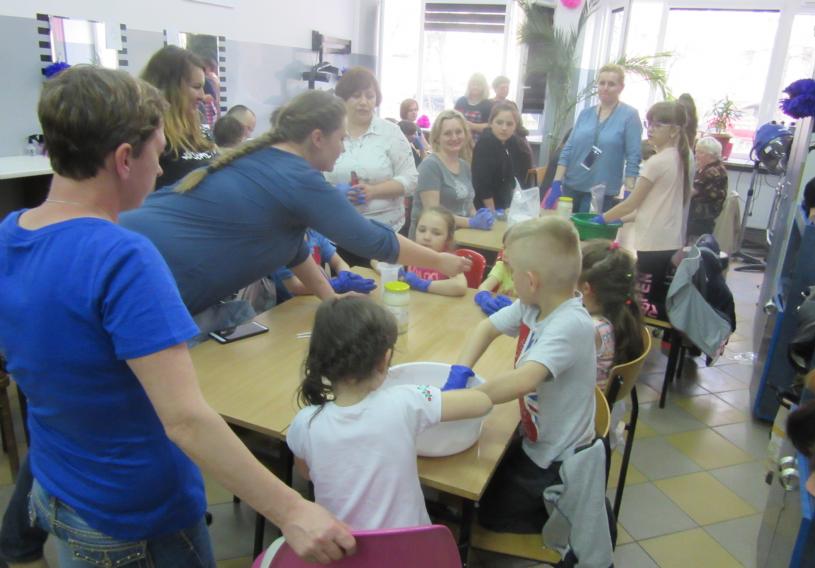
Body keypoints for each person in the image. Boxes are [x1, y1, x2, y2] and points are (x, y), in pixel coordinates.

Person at [0, 65, 353, 567]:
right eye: (159, 154)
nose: (159, 171)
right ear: (125, 159)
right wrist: (292, 509)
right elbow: (185, 419)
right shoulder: (122, 256)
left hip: (62, 492)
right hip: (135, 518)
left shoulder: (12, 232)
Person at [120, 90, 469, 335]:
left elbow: (294, 247)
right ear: (317, 137)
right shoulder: (296, 176)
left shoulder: (267, 159)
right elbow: (370, 239)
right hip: (141, 268)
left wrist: (330, 299)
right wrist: (440, 261)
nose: (343, 148)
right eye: (341, 138)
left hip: (139, 255)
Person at [287, 297, 492, 530]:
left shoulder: (304, 423)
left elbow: (306, 472)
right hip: (410, 544)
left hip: (343, 546)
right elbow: (482, 403)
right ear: (384, 361)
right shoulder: (405, 400)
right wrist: (454, 382)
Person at [453, 216, 597, 532]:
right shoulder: (533, 305)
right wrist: (460, 370)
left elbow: (525, 379)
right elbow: (486, 328)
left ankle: (565, 511)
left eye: (511, 270)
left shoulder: (570, 324)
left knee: (487, 513)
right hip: (537, 438)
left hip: (557, 458)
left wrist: (462, 399)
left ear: (530, 281)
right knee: (481, 482)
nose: (508, 277)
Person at [599, 101, 693, 321]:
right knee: (654, 297)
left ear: (674, 130)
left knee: (644, 304)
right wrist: (620, 220)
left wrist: (602, 218)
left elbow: (632, 203)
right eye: (648, 124)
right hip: (667, 241)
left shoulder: (657, 162)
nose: (650, 130)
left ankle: (646, 336)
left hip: (654, 244)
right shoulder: (681, 158)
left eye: (658, 125)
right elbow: (652, 206)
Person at [326, 67, 418, 242]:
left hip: (386, 232)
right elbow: (313, 178)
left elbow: (411, 179)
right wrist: (333, 192)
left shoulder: (391, 132)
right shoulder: (329, 131)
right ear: (343, 99)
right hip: (337, 232)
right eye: (356, 96)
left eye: (370, 96)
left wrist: (373, 191)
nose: (364, 102)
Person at [549, 64, 642, 213]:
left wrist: (629, 191)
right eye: (602, 83)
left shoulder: (629, 116)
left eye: (611, 84)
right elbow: (568, 148)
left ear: (621, 87)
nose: (605, 88)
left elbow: (633, 156)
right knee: (565, 227)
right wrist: (556, 181)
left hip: (600, 192)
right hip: (571, 186)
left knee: (587, 228)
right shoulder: (585, 114)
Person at [140, 46, 216, 189]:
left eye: (203, 87)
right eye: (196, 87)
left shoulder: (198, 121)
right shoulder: (149, 132)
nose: (202, 95)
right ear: (171, 88)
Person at [410, 110, 494, 236]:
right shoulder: (430, 166)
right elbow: (433, 213)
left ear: (465, 134)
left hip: (459, 235)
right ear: (437, 138)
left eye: (458, 132)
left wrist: (481, 216)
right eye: (447, 133)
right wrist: (471, 222)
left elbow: (468, 206)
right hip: (430, 239)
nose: (454, 138)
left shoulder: (464, 166)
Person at [578, 240, 644, 389]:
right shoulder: (620, 314)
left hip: (589, 400)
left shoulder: (591, 328)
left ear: (586, 288)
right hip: (606, 397)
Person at [271, 229, 375, 302]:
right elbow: (295, 287)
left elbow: (339, 262)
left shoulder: (314, 235)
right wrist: (334, 284)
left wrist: (346, 275)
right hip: (292, 302)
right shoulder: (281, 245)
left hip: (319, 294)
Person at [472, 102, 531, 211]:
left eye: (509, 124)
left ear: (515, 126)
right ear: (491, 123)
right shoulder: (485, 144)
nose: (504, 128)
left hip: (505, 203)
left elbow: (514, 176)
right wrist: (493, 213)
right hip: (485, 207)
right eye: (499, 123)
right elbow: (482, 184)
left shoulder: (512, 141)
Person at [402, 206, 468, 297]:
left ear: (448, 238)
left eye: (436, 233)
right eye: (422, 230)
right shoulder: (411, 253)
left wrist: (423, 284)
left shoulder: (448, 259)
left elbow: (460, 286)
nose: (426, 237)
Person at [687, 136, 728, 241]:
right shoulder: (717, 167)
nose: (696, 155)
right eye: (696, 151)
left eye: (700, 152)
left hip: (701, 217)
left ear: (711, 155)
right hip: (706, 214)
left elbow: (690, 193)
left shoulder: (711, 172)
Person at [454, 73, 493, 143]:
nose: (475, 87)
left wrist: (472, 126)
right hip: (459, 141)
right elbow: (452, 118)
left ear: (484, 87)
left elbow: (490, 126)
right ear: (469, 85)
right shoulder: (461, 101)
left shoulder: (488, 105)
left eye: (479, 85)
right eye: (473, 84)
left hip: (480, 143)